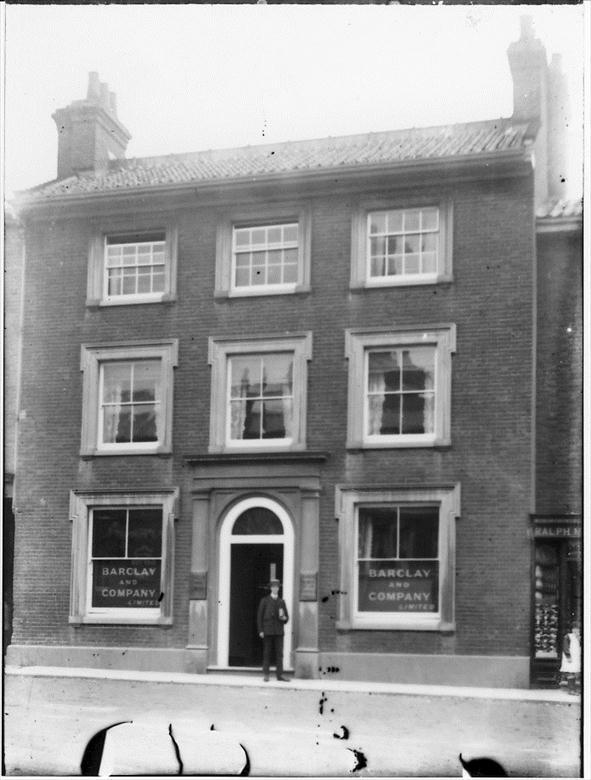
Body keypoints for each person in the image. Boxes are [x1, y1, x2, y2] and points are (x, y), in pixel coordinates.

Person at [257, 578, 289, 682]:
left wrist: (284, 618)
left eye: (277, 587)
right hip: (267, 631)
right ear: (271, 588)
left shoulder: (281, 602)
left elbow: (286, 617)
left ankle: (280, 675)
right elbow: (259, 617)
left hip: (279, 632)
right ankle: (266, 674)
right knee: (267, 652)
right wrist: (261, 630)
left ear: (279, 589)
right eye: (273, 587)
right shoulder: (265, 601)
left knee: (279, 654)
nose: (275, 589)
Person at [559, 621, 581, 694]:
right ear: (572, 629)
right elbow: (565, 647)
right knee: (570, 672)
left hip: (576, 657)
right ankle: (571, 689)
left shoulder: (579, 637)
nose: (576, 630)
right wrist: (568, 656)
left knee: (575, 673)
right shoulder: (568, 636)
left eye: (578, 629)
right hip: (570, 657)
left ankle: (574, 688)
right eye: (574, 628)